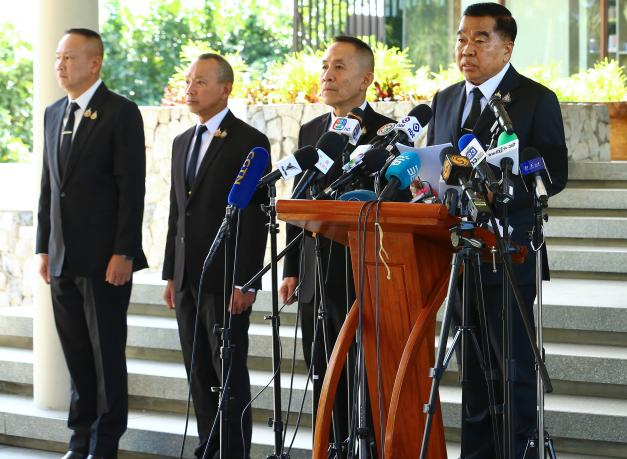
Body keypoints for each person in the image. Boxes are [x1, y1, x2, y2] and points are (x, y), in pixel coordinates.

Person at [426, 2, 568, 459]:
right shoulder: (446, 99)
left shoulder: (534, 99)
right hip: (459, 252)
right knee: (472, 371)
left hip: (508, 253)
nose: (466, 49)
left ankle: (519, 450)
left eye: (479, 39)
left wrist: (508, 169)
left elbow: (554, 173)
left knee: (512, 368)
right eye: (461, 39)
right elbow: (438, 169)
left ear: (506, 48)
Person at [36, 28, 147, 459]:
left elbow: (131, 188)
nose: (60, 64)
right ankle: (79, 439)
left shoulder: (120, 112)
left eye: (69, 57)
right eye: (58, 57)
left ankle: (104, 443)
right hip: (62, 257)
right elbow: (50, 186)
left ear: (94, 62)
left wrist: (124, 251)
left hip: (105, 260)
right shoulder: (53, 113)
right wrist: (44, 247)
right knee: (77, 356)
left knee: (105, 357)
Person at [278, 34, 393, 443]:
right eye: (325, 66)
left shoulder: (387, 132)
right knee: (323, 379)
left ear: (366, 79)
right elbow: (299, 198)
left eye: (339, 67)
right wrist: (292, 268)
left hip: (364, 275)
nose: (327, 74)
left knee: (365, 382)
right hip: (315, 275)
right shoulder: (312, 129)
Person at [162, 53, 270, 459]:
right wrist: (171, 273)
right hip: (188, 276)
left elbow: (256, 217)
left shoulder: (248, 141)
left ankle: (233, 452)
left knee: (228, 373)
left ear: (225, 89)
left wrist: (247, 280)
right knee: (198, 370)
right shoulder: (181, 142)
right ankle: (208, 447)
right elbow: (178, 212)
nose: (190, 89)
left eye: (200, 82)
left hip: (226, 278)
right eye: (188, 81)